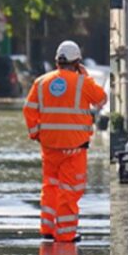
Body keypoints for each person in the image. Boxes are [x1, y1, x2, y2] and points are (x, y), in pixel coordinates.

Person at [23, 41, 106, 243]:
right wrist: (86, 76)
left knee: (50, 187)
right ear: (77, 62)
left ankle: (47, 229)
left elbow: (28, 109)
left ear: (57, 61)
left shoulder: (41, 82)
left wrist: (37, 134)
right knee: (69, 190)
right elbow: (101, 99)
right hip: (74, 148)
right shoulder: (82, 83)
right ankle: (66, 234)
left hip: (49, 146)